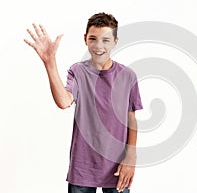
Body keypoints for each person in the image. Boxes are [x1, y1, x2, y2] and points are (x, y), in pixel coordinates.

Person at [24, 12, 143, 193]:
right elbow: (64, 101)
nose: (98, 46)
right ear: (85, 39)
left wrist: (131, 157)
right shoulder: (78, 71)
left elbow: (131, 118)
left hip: (117, 167)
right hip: (83, 166)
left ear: (115, 42)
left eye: (105, 40)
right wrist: (50, 62)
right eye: (93, 39)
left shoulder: (127, 76)